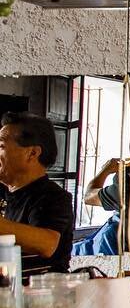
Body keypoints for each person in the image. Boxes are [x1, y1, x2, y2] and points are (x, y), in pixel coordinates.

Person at [0, 113, 74, 274]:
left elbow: (47, 244)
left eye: (2, 146)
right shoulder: (3, 193)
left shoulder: (53, 197)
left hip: (42, 296)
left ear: (32, 153)